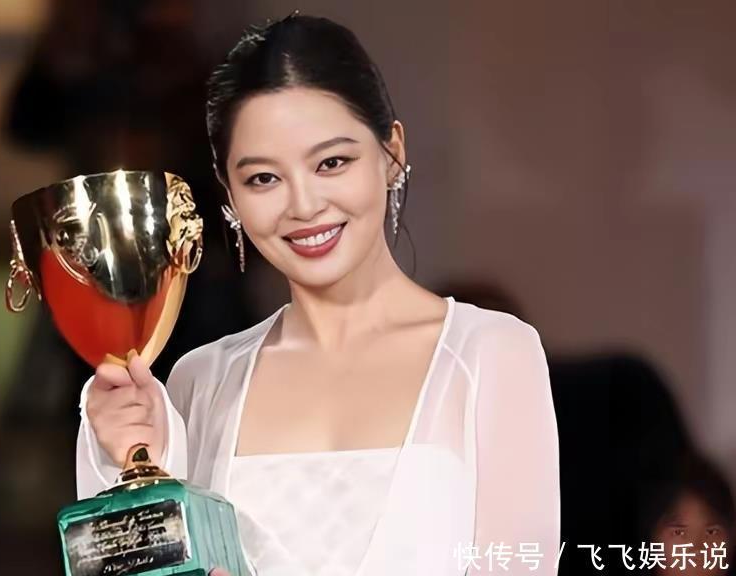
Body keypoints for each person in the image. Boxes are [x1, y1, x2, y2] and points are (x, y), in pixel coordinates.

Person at [76, 14, 561, 575]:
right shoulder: (199, 383)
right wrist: (123, 462)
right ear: (229, 193)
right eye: (263, 178)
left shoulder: (491, 354)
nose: (304, 206)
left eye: (332, 162)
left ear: (392, 153)